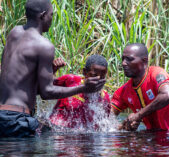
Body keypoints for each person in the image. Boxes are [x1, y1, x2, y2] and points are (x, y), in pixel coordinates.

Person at [0, 0, 105, 137]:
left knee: (47, 131)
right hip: (17, 120)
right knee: (56, 137)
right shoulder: (44, 45)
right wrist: (84, 88)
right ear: (43, 16)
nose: (51, 20)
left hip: (2, 115)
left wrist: (51, 72)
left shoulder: (14, 33)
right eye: (51, 15)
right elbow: (47, 92)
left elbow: (20, 86)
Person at [111, 43, 169, 131]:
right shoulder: (122, 92)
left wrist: (138, 115)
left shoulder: (157, 74)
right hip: (154, 136)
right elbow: (105, 120)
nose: (124, 63)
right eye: (123, 59)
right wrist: (123, 126)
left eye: (129, 59)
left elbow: (167, 96)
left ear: (144, 61)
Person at [49, 55, 111, 130]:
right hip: (56, 130)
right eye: (94, 75)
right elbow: (45, 88)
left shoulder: (104, 98)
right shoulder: (71, 80)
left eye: (102, 77)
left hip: (82, 137)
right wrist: (52, 71)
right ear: (84, 72)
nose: (98, 80)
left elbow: (103, 126)